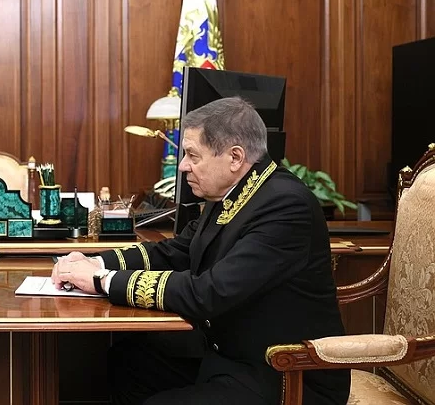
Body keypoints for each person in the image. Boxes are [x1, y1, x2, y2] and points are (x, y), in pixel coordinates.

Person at [51, 96, 350, 405]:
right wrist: (95, 262)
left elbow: (210, 292)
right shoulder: (233, 193)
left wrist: (103, 280)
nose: (182, 166)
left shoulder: (285, 205)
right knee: (129, 360)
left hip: (284, 373)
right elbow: (176, 251)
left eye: (193, 155)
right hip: (231, 354)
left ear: (235, 157)